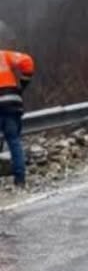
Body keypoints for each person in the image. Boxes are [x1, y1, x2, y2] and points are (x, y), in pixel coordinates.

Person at [0, 48, 35, 187]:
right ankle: (20, 179)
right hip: (12, 102)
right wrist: (22, 85)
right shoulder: (3, 55)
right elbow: (27, 62)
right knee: (14, 141)